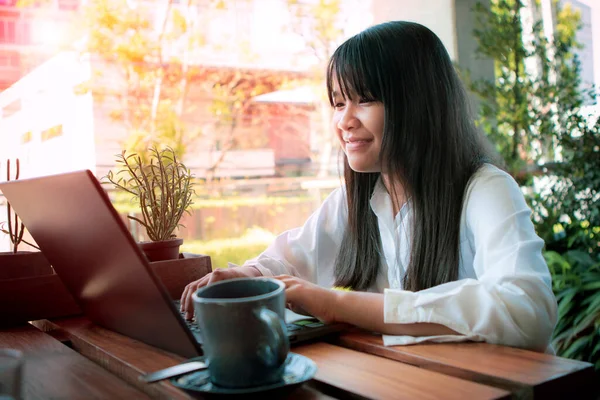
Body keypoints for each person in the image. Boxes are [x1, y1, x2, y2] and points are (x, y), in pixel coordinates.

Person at [180, 21, 557, 352]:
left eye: (365, 100)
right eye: (339, 102)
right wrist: (246, 276)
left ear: (418, 103)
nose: (344, 120)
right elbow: (294, 257)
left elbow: (527, 310)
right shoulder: (361, 196)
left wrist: (337, 305)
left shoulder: (485, 189)